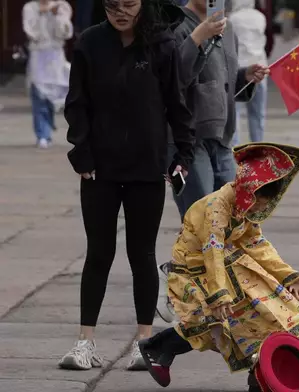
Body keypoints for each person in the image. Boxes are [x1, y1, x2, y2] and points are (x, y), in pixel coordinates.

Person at [60, 0, 195, 371]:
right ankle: (85, 341)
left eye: (129, 4)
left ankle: (144, 342)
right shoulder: (89, 42)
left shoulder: (162, 45)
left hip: (147, 167)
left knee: (142, 254)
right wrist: (82, 154)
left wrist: (183, 154)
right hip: (99, 169)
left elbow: (176, 105)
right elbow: (77, 103)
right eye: (112, 4)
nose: (120, 12)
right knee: (98, 253)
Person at [138, 143, 299, 392]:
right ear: (248, 192)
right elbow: (213, 253)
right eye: (260, 202)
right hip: (193, 268)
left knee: (267, 311)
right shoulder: (216, 209)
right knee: (212, 322)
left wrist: (289, 276)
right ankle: (157, 347)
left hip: (226, 264)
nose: (262, 209)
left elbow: (257, 244)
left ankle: (260, 376)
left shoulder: (244, 206)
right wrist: (219, 294)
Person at [156, 0, 269, 324]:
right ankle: (177, 287)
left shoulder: (227, 26)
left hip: (221, 136)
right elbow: (172, 78)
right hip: (186, 140)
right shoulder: (176, 25)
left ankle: (208, 294)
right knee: (202, 220)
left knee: (230, 221)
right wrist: (197, 38)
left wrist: (246, 75)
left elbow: (224, 80)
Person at [22, 0, 73, 149]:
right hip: (38, 54)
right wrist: (41, 13)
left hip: (56, 55)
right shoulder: (30, 7)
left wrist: (56, 15)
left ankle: (47, 128)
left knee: (53, 94)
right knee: (38, 93)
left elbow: (64, 33)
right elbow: (31, 32)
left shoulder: (62, 6)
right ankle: (42, 134)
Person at [230, 0, 269, 144]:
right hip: (260, 68)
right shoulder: (261, 17)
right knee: (257, 113)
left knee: (235, 113)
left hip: (240, 70)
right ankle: (257, 145)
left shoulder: (233, 19)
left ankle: (234, 146)